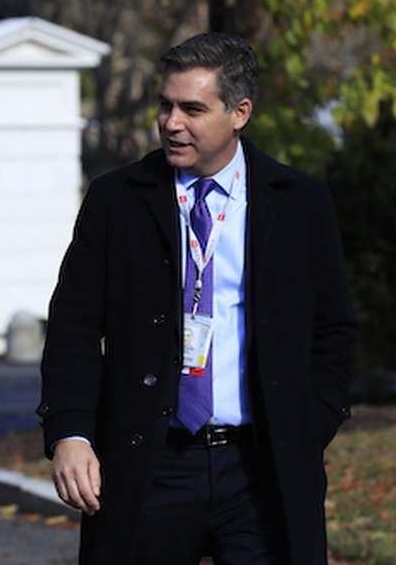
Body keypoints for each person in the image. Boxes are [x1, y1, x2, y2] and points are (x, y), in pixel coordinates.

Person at [37, 33, 357, 564]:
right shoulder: (117, 200)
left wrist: (309, 425)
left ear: (240, 113)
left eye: (192, 108)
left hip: (261, 470)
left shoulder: (300, 203)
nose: (171, 122)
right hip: (149, 465)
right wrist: (70, 432)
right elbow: (72, 324)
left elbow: (334, 329)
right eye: (165, 105)